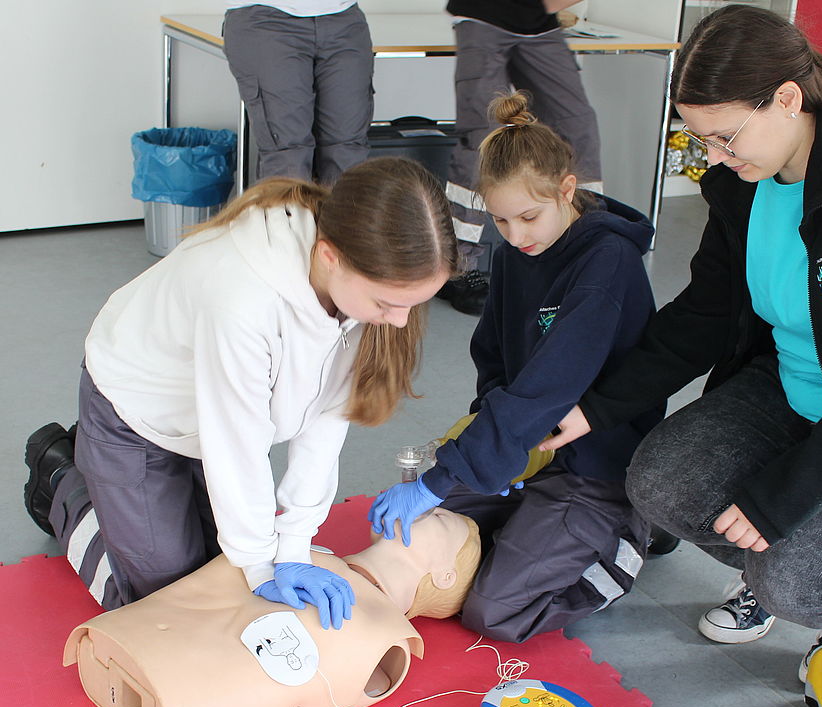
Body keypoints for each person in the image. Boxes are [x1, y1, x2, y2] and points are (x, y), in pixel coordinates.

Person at [539, 5, 822, 647]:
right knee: (659, 483)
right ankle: (775, 568)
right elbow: (705, 313)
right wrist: (596, 406)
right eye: (700, 140)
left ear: (787, 100)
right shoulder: (743, 182)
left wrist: (781, 499)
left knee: (800, 581)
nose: (714, 156)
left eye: (725, 137)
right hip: (791, 385)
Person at [24, 156, 458, 624]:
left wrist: (294, 545)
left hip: (210, 416)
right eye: (387, 303)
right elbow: (237, 440)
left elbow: (327, 420)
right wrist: (259, 561)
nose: (400, 321)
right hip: (135, 412)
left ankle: (112, 483)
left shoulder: (357, 289)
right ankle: (63, 477)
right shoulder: (243, 299)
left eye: (413, 305)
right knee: (166, 603)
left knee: (222, 574)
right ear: (330, 257)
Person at [369, 92, 662, 644]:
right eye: (500, 220)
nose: (516, 235)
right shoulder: (513, 254)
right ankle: (532, 522)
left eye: (529, 217)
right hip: (533, 447)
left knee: (492, 611)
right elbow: (496, 360)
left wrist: (447, 477)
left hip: (594, 463)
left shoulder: (607, 262)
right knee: (411, 529)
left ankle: (630, 539)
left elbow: (548, 387)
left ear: (567, 190)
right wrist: (488, 455)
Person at [63, 508, 482, 707]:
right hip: (132, 638)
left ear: (444, 576)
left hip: (182, 704)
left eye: (440, 516)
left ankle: (63, 484)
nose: (426, 506)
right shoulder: (311, 549)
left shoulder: (387, 635)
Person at [436, 0, 603, 316]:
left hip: (538, 24)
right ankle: (458, 266)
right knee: (482, 138)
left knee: (578, 127)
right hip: (482, 15)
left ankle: (587, 242)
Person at [222, 0, 374, 184]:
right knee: (288, 157)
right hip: (267, 19)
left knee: (348, 153)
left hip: (344, 18)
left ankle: (344, 205)